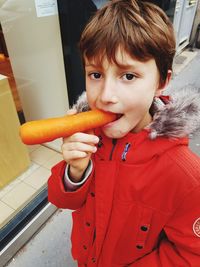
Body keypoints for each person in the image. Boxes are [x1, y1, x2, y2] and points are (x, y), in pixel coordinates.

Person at [48, 0, 200, 266]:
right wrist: (75, 173)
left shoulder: (186, 176)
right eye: (95, 74)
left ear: (161, 82)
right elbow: (61, 199)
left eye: (128, 76)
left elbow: (190, 254)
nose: (106, 96)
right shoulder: (88, 135)